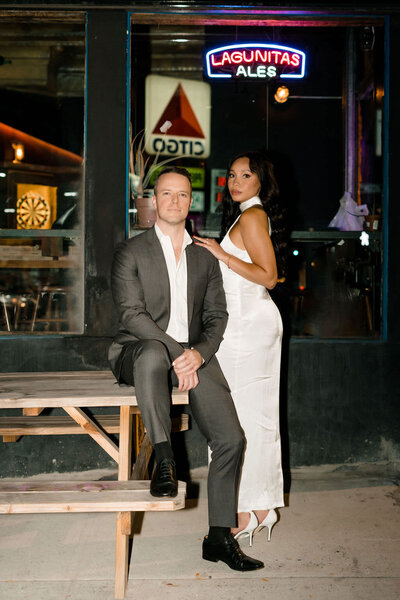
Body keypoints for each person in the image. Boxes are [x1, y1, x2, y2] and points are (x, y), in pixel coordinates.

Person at [109, 166, 264, 571]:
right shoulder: (132, 250)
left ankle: (218, 537)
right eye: (166, 194)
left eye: (182, 194)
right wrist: (181, 351)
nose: (174, 201)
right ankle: (165, 460)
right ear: (153, 200)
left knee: (231, 439)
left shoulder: (204, 256)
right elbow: (132, 315)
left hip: (193, 356)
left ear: (190, 202)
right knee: (152, 353)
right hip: (139, 352)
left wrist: (199, 353)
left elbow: (217, 315)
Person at [194, 151, 285, 546]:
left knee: (244, 421)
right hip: (244, 328)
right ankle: (259, 508)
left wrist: (220, 253)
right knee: (249, 421)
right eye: (231, 174)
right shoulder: (248, 215)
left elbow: (269, 277)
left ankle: (249, 511)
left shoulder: (252, 216)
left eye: (245, 175)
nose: (235, 181)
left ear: (261, 181)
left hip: (249, 328)